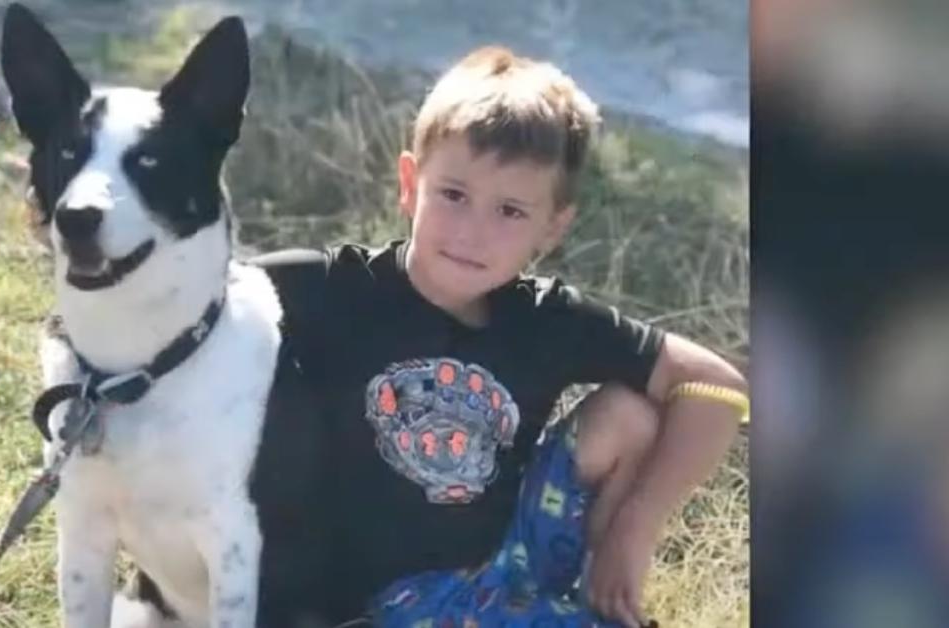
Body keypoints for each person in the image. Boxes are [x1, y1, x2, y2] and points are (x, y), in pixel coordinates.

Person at [251, 45, 747, 628]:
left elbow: (718, 388)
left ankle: (595, 600)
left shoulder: (544, 319)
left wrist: (635, 528)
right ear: (411, 183)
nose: (471, 233)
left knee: (630, 415)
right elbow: (194, 294)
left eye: (510, 211)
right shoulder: (333, 287)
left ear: (552, 227)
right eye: (453, 195)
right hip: (380, 602)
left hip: (503, 563)